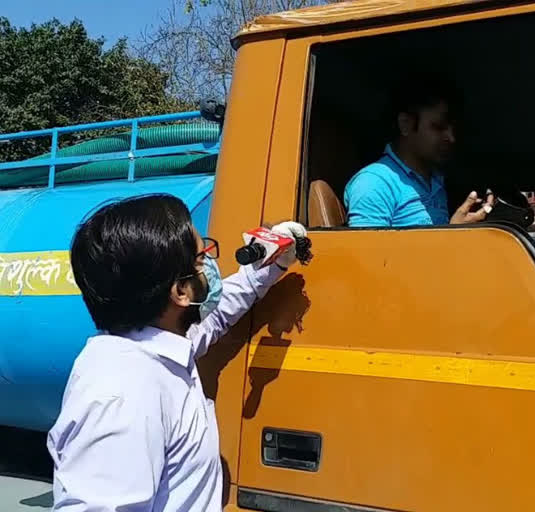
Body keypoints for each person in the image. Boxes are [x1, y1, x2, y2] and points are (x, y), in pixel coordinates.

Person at [47, 194, 306, 511]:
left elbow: (217, 316)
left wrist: (270, 263)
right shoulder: (123, 394)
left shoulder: (157, 349)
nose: (211, 266)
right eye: (201, 260)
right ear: (180, 292)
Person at [344, 74, 494, 227]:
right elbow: (365, 251)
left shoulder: (437, 180)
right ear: (406, 124)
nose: (451, 137)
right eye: (438, 127)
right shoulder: (375, 183)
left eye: (452, 128)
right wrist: (453, 234)